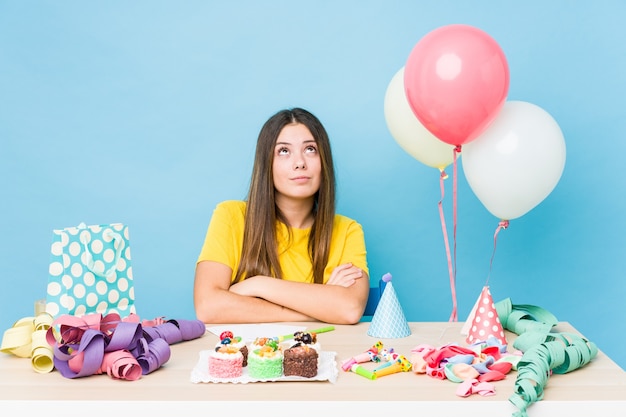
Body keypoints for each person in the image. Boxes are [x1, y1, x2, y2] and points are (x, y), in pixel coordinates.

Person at [193, 107, 370, 325]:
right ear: (267, 163)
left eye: (311, 149)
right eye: (284, 151)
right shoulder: (230, 216)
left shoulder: (347, 230)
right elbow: (208, 307)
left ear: (324, 161)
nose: (299, 162)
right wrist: (319, 308)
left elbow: (349, 309)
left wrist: (259, 284)